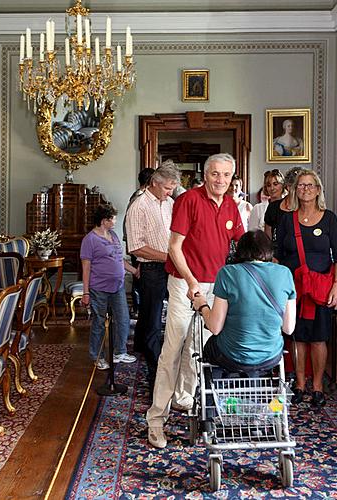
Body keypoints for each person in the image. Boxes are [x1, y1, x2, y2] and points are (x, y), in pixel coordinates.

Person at [146, 153, 244, 449]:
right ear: (205, 174)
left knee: (198, 348)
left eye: (226, 175)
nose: (220, 180)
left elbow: (241, 244)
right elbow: (174, 248)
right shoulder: (188, 200)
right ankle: (156, 420)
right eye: (215, 174)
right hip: (183, 282)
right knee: (173, 349)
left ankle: (184, 398)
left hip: (216, 286)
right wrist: (191, 284)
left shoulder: (230, 204)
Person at [275, 169, 337, 408]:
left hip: (320, 289)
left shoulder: (329, 218)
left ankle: (317, 386)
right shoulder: (287, 219)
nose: (305, 189)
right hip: (293, 288)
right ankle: (299, 384)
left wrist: (336, 285)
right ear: (295, 190)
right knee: (296, 337)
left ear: (318, 190)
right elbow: (277, 255)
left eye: (310, 185)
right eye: (301, 185)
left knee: (318, 338)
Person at [191, 231, 296, 373]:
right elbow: (288, 328)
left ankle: (213, 393)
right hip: (270, 356)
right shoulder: (285, 273)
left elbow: (215, 327)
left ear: (239, 250)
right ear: (269, 249)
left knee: (211, 347)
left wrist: (202, 305)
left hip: (231, 356)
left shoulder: (227, 273)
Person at [126, 163, 180, 388]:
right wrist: (168, 256)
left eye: (173, 188)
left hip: (172, 266)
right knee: (152, 320)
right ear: (155, 183)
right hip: (151, 269)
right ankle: (154, 371)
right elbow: (136, 247)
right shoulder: (138, 206)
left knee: (175, 318)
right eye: (168, 188)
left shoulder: (170, 203)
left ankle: (170, 364)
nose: (170, 192)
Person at [80, 204, 139, 370]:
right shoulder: (89, 240)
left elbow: (119, 259)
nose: (114, 221)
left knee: (123, 319)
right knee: (99, 323)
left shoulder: (113, 235)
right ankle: (97, 356)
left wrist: (134, 271)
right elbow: (86, 268)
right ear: (103, 220)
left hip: (118, 286)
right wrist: (86, 293)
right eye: (112, 218)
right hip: (99, 288)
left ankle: (119, 352)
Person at [124, 167, 157, 318]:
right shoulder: (139, 198)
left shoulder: (136, 196)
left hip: (139, 245)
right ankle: (139, 308)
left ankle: (141, 308)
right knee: (139, 277)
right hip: (140, 246)